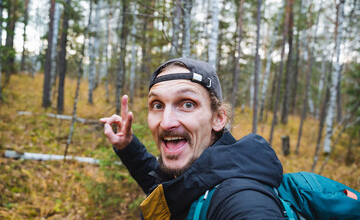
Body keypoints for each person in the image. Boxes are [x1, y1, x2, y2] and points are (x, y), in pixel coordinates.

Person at [100, 57, 284, 219]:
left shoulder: (241, 198)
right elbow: (170, 188)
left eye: (187, 104)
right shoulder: (196, 176)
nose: (166, 122)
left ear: (218, 118)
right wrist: (128, 146)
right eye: (157, 105)